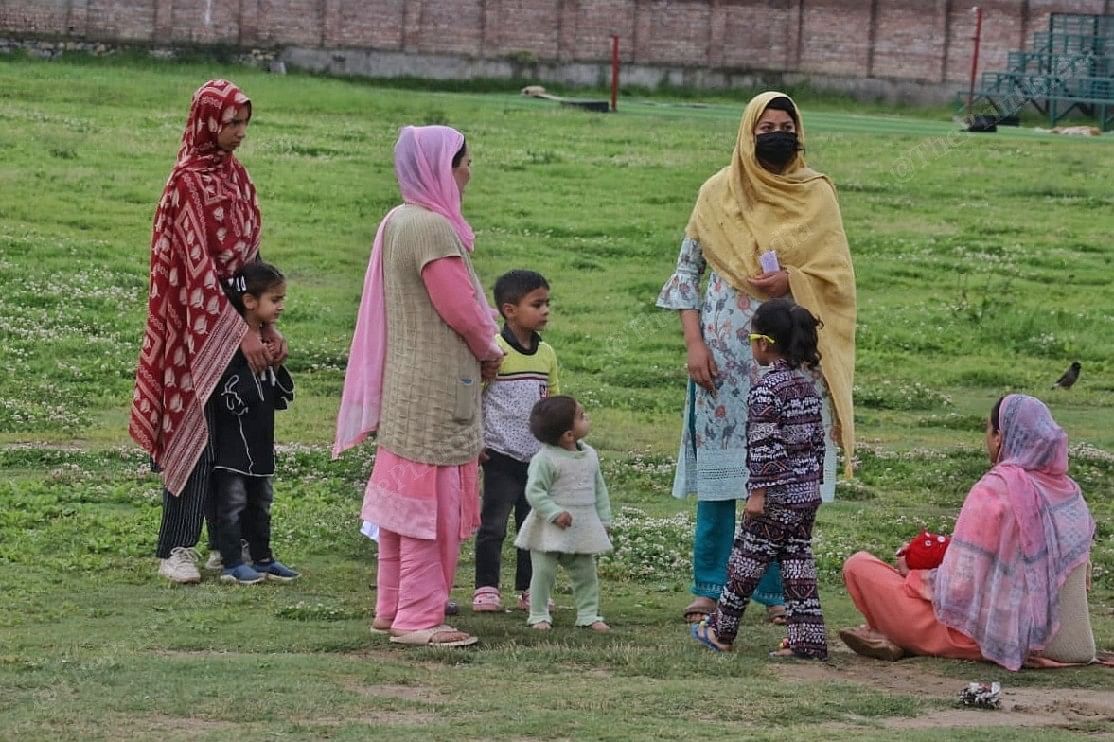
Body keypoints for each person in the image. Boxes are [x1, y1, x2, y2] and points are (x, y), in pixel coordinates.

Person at [657, 91, 856, 625]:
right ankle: (710, 585)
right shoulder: (717, 191)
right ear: (748, 132)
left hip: (789, 362)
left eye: (785, 124)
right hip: (722, 362)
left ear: (799, 131)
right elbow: (685, 273)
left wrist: (794, 279)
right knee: (724, 478)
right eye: (765, 124)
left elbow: (837, 275)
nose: (775, 133)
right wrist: (694, 343)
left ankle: (775, 592)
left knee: (782, 476)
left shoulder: (814, 195)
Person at [333, 125, 502, 648]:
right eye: (464, 161)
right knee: (432, 510)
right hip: (438, 389)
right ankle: (419, 618)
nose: (469, 171)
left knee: (401, 509)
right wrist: (491, 348)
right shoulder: (431, 228)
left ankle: (392, 608)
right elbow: (462, 310)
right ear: (441, 169)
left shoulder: (397, 220)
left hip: (406, 385)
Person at [130, 79, 287, 584]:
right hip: (191, 331)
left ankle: (230, 545)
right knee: (191, 435)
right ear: (206, 121)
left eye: (244, 123)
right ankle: (176, 548)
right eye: (230, 122)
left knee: (234, 439)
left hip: (237, 324)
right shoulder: (185, 184)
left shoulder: (237, 178)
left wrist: (260, 323)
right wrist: (234, 330)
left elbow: (250, 264)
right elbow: (192, 273)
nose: (239, 133)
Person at [841, 395, 1098, 671]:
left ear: (1000, 437)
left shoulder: (994, 489)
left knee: (859, 566)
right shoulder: (1069, 494)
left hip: (978, 635)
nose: (986, 437)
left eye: (988, 429)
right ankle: (888, 635)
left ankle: (890, 634)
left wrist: (913, 576)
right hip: (1044, 634)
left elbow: (958, 588)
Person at [689, 299, 828, 659]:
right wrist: (811, 487)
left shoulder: (767, 390)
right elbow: (817, 445)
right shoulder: (806, 388)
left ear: (764, 344)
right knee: (798, 564)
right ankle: (807, 641)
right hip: (804, 496)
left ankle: (721, 631)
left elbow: (765, 448)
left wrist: (758, 495)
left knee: (744, 563)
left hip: (775, 497)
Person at [472, 270, 559, 613]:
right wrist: (475, 441)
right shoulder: (493, 350)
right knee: (493, 525)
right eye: (537, 304)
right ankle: (486, 588)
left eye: (547, 303)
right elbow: (475, 396)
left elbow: (552, 398)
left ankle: (529, 589)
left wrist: (557, 443)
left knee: (531, 525)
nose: (545, 310)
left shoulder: (547, 353)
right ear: (510, 310)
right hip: (499, 454)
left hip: (535, 457)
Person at [209, 261, 298, 585]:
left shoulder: (264, 342)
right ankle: (231, 562)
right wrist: (254, 376)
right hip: (235, 450)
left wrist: (277, 367)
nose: (280, 306)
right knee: (232, 505)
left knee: (261, 504)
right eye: (274, 300)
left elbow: (279, 394)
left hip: (261, 445)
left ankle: (263, 558)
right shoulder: (235, 346)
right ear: (249, 301)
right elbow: (228, 395)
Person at [514, 396, 611, 632]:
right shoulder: (545, 459)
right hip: (548, 531)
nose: (586, 418)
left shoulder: (589, 456)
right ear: (568, 434)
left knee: (586, 573)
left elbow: (599, 489)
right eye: (581, 416)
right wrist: (554, 512)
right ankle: (538, 615)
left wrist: (604, 519)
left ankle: (588, 614)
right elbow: (535, 491)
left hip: (582, 527)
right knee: (543, 573)